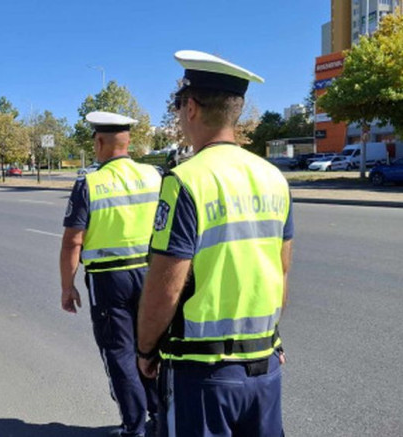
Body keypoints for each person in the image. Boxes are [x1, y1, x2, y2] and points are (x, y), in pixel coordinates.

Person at [136, 51, 294, 437]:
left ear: (190, 107)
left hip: (200, 373)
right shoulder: (274, 178)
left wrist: (144, 349)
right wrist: (271, 339)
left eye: (178, 108)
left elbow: (165, 286)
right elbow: (281, 269)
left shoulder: (185, 180)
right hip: (264, 366)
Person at [60, 111, 162, 437]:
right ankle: (162, 418)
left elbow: (73, 241)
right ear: (129, 140)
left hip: (109, 281)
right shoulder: (156, 176)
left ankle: (135, 428)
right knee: (154, 348)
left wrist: (68, 286)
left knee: (120, 354)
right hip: (153, 275)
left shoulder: (88, 183)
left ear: (99, 141)